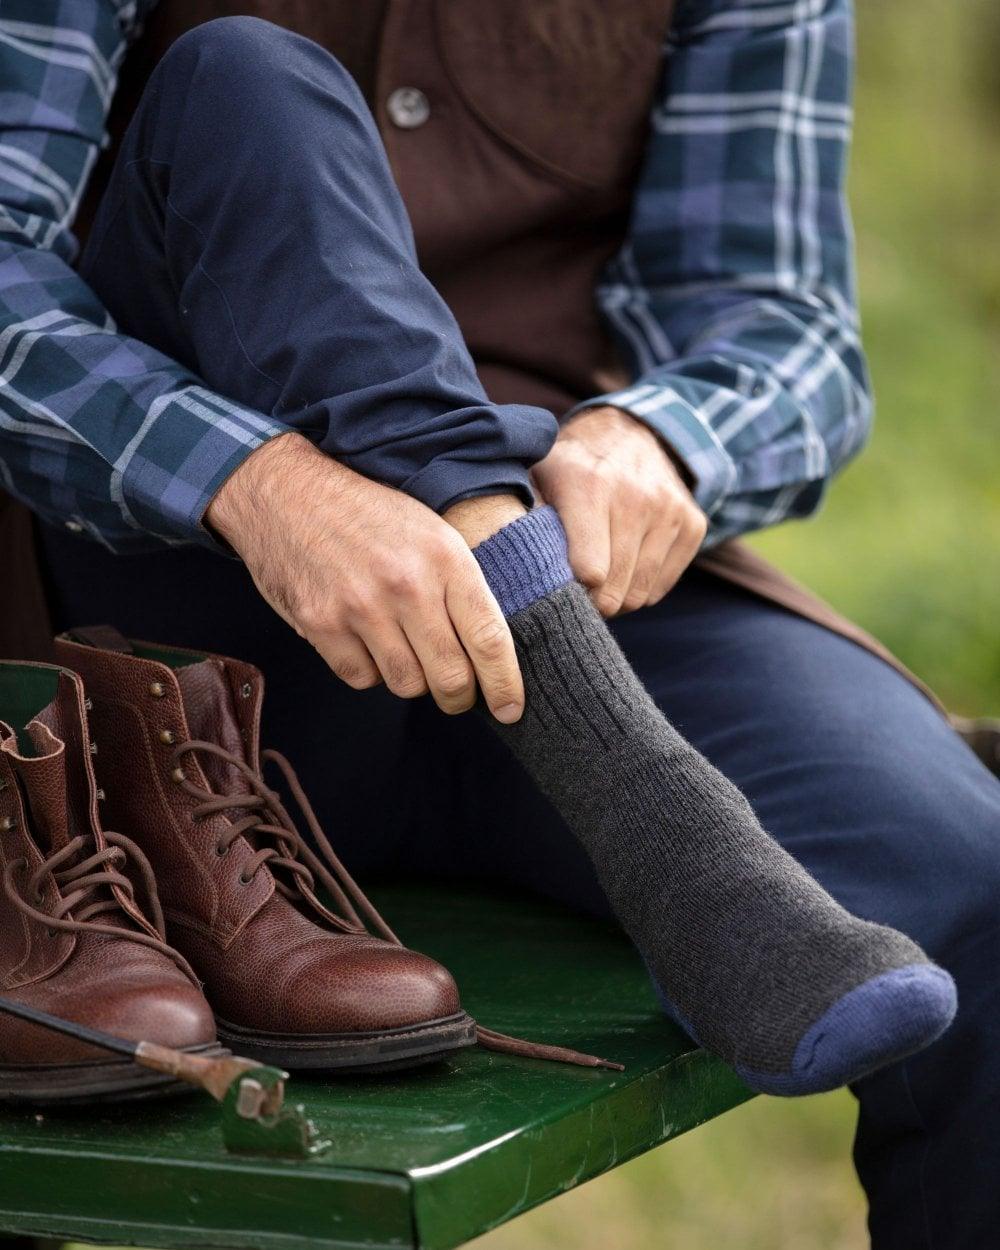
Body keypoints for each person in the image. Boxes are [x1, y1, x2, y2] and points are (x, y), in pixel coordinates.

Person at [0, 2, 997, 1244]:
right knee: (239, 75)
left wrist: (669, 437)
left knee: (973, 873)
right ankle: (649, 800)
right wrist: (258, 482)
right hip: (182, 634)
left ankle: (592, 680)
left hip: (581, 583)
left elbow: (786, 323)